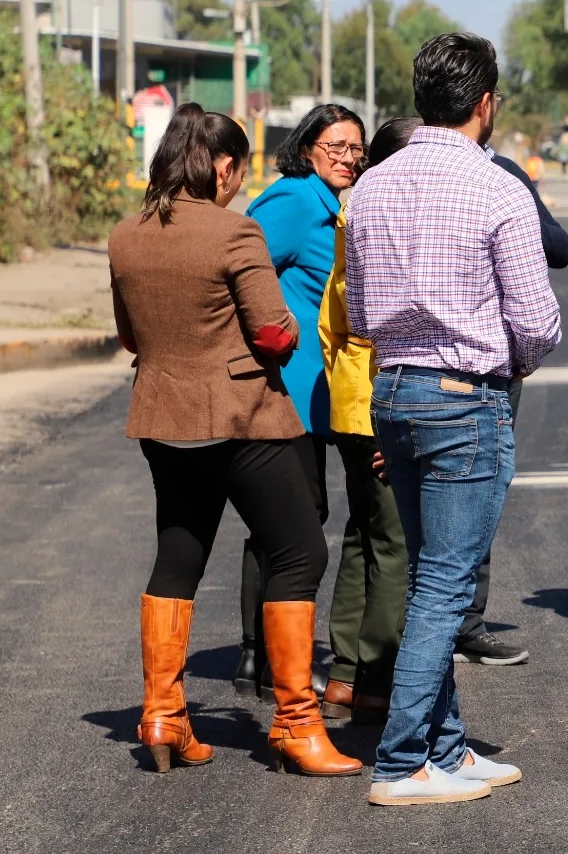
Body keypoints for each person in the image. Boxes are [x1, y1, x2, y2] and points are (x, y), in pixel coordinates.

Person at [109, 103, 360, 777]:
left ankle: (163, 715)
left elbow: (130, 337)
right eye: (238, 170)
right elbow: (278, 332)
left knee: (178, 557)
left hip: (163, 417)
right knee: (299, 551)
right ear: (224, 167)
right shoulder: (234, 232)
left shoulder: (125, 235)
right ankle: (296, 726)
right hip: (244, 416)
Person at [348, 32, 561, 806]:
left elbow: (363, 312)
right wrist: (511, 366)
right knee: (445, 583)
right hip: (464, 395)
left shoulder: (370, 185)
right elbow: (537, 319)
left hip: (394, 391)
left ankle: (444, 745)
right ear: (485, 103)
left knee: (426, 579)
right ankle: (402, 761)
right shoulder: (499, 186)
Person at [233, 104, 364, 701]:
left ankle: (273, 656)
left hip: (331, 393)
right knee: (287, 524)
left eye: (355, 148)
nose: (347, 157)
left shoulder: (340, 205)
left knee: (307, 519)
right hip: (286, 391)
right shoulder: (291, 201)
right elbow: (237, 270)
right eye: (334, 146)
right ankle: (261, 658)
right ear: (307, 147)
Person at [449, 136, 568, 667]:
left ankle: (421, 628)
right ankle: (461, 623)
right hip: (488, 366)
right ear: (483, 106)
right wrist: (522, 355)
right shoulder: (501, 176)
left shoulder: (388, 176)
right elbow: (557, 250)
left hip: (398, 372)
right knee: (477, 495)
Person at [319, 117, 419, 724]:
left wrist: (349, 386)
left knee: (362, 535)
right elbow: (389, 323)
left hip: (352, 394)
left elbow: (333, 322)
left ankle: (343, 674)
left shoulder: (350, 217)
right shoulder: (389, 224)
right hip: (383, 398)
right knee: (394, 544)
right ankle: (377, 679)